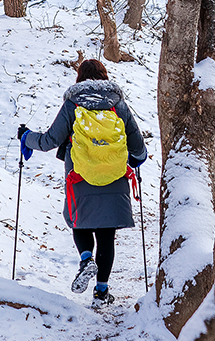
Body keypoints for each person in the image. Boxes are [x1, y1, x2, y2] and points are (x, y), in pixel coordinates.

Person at [17, 58, 147, 307]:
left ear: (80, 79)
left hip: (80, 176)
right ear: (104, 76)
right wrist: (135, 160)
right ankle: (101, 292)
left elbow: (48, 141)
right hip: (114, 176)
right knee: (107, 235)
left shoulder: (72, 105)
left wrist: (26, 137)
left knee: (81, 223)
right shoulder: (118, 104)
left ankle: (87, 259)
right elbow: (139, 148)